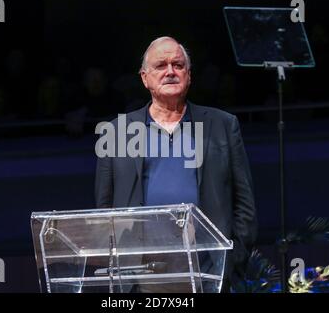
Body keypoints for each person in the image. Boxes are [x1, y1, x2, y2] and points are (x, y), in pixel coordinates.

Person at [95, 36, 257, 292]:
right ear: (144, 78)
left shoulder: (222, 125)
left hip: (207, 273)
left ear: (189, 76)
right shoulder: (118, 132)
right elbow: (104, 209)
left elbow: (244, 203)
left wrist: (231, 261)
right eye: (161, 66)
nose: (170, 71)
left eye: (178, 65)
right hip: (140, 279)